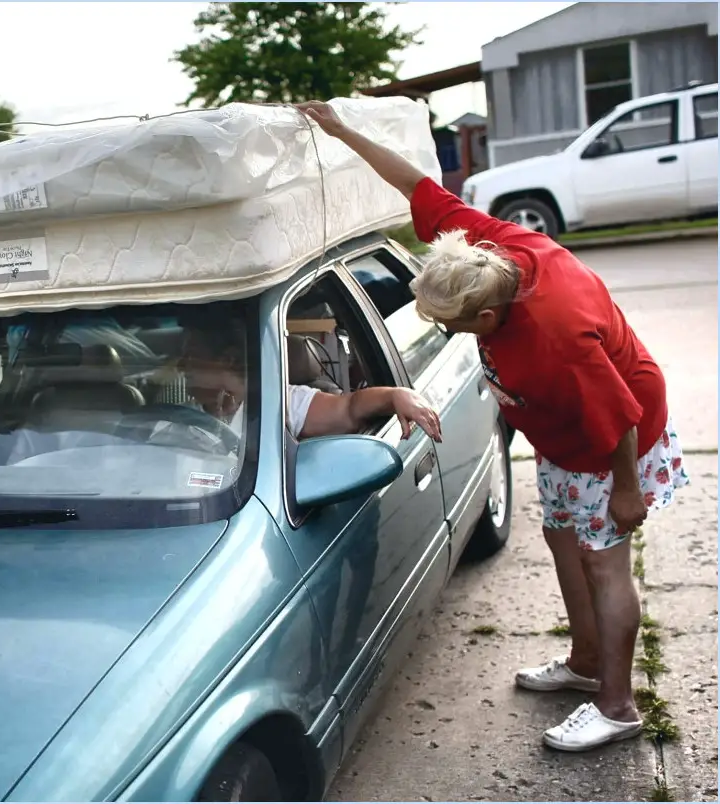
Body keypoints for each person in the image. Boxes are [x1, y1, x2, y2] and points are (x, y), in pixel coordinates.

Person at [294, 100, 688, 752]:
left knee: (605, 565)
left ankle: (619, 706)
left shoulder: (557, 335)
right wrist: (341, 130)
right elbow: (414, 184)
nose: (448, 334)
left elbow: (620, 412)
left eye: (454, 326)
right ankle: (586, 663)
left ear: (491, 313)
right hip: (564, 439)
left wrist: (626, 491)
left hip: (613, 441)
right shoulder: (483, 250)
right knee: (563, 540)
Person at [178, 310, 443, 443]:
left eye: (190, 357)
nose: (180, 366)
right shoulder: (177, 412)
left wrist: (396, 395)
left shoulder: (281, 404)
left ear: (228, 360)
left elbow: (349, 409)